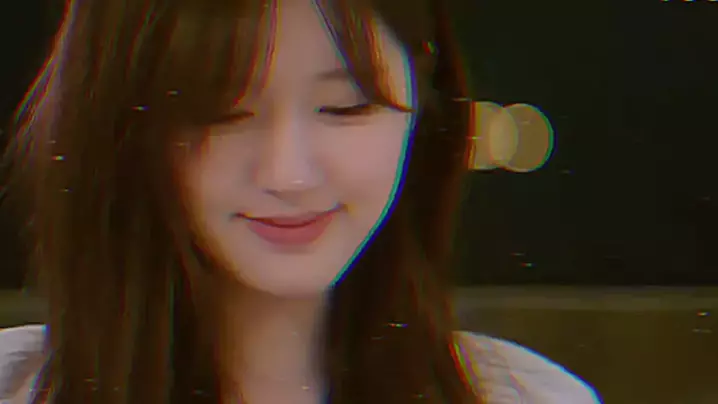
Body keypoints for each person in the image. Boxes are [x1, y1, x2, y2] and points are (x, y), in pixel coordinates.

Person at [0, 0, 601, 403]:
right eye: (222, 111)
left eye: (346, 107)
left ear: (424, 107)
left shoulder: (526, 397)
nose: (288, 174)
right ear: (118, 125)